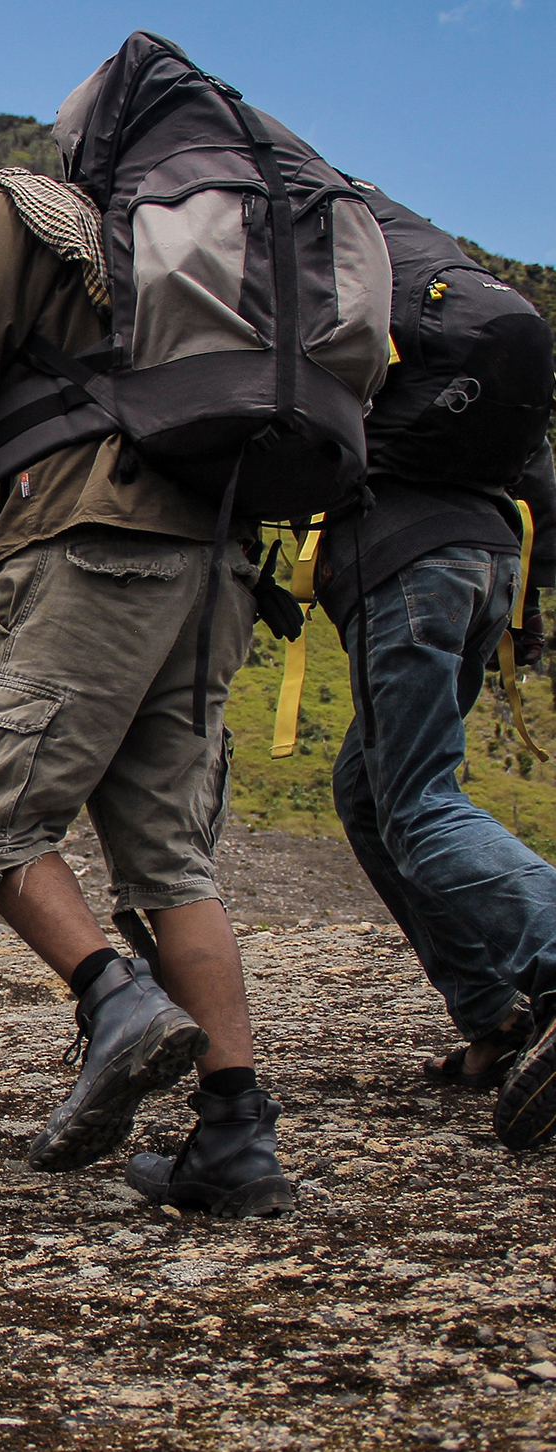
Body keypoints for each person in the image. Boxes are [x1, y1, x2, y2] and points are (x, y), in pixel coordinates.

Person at [0, 141, 294, 1216]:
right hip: (208, 559)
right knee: (167, 857)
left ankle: (112, 999)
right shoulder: (103, 234)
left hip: (93, 541)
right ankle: (234, 1136)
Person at [326, 421, 556, 1151]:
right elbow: (534, 461)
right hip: (489, 556)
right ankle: (493, 1016)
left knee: (417, 802)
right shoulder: (463, 319)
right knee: (367, 792)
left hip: (406, 559)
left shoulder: (357, 321)